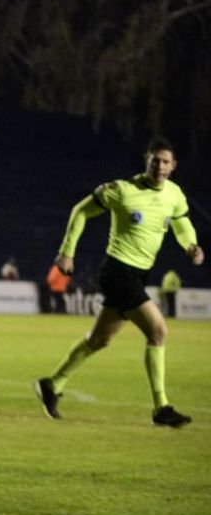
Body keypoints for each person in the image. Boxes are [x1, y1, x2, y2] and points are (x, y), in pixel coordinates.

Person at [34, 138, 202, 427]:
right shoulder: (122, 190)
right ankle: (162, 407)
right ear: (146, 159)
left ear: (173, 166)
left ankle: (52, 384)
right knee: (158, 331)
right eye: (155, 160)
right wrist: (67, 251)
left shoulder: (174, 194)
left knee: (99, 340)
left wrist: (191, 245)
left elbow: (180, 221)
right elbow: (81, 210)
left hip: (139, 274)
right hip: (118, 271)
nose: (159, 166)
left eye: (165, 161)